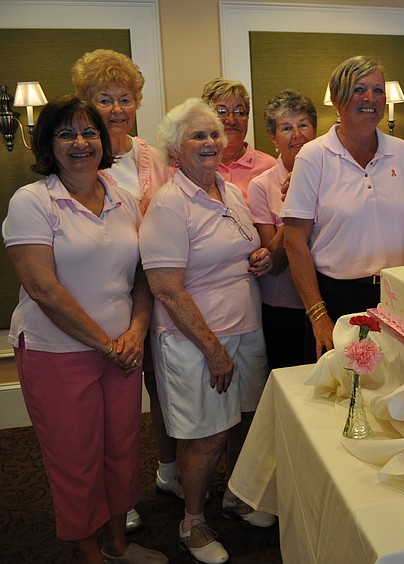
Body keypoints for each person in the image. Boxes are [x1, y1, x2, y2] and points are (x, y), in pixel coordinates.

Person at [2, 95, 167, 564]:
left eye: (89, 132)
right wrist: (106, 344)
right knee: (75, 461)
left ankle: (117, 544)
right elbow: (43, 288)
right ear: (47, 143)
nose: (81, 143)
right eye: (66, 133)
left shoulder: (122, 197)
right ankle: (87, 551)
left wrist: (134, 333)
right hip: (56, 352)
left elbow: (142, 275)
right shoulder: (32, 202)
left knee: (122, 451)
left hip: (121, 350)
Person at [139, 98, 276, 564]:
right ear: (175, 151)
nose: (211, 142)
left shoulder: (229, 190)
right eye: (198, 136)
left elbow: (235, 249)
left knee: (241, 419)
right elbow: (166, 288)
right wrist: (214, 351)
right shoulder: (169, 203)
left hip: (245, 326)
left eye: (214, 134)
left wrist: (258, 258)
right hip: (195, 341)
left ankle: (236, 494)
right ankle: (192, 524)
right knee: (207, 435)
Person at [72, 47, 178, 534]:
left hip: (154, 287)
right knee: (112, 401)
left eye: (125, 98)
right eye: (105, 99)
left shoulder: (152, 156)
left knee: (163, 386)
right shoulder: (81, 157)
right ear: (87, 104)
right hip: (104, 290)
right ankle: (117, 494)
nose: (117, 109)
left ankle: (169, 470)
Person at [282, 55, 404, 361]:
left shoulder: (401, 152)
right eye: (359, 89)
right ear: (336, 98)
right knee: (340, 397)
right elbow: (293, 242)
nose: (370, 99)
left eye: (377, 90)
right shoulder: (313, 156)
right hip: (337, 300)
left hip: (398, 298)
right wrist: (319, 316)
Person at [248, 90, 317, 368]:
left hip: (327, 296)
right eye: (286, 128)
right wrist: (294, 206)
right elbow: (274, 264)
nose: (297, 135)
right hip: (284, 306)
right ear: (273, 138)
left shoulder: (332, 176)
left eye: (303, 125)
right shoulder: (261, 186)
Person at [201, 77, 275, 201]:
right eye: (222, 111)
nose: (231, 120)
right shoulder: (196, 166)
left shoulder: (269, 167)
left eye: (240, 112)